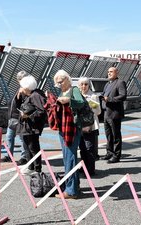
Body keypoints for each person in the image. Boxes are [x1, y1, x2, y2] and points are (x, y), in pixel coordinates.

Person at [51, 69, 85, 199]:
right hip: (64, 127)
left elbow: (80, 103)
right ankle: (74, 187)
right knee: (68, 158)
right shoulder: (62, 91)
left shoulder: (74, 89)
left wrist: (68, 101)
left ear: (67, 79)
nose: (59, 83)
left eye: (61, 80)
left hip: (72, 128)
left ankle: (71, 191)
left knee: (69, 158)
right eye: (57, 82)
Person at [16, 75, 47, 175]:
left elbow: (41, 111)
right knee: (27, 147)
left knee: (33, 147)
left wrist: (28, 116)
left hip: (32, 127)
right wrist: (18, 96)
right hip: (26, 126)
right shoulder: (29, 95)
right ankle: (31, 166)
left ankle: (37, 168)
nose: (21, 88)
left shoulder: (36, 96)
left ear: (27, 87)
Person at [0, 70, 29, 165]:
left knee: (22, 138)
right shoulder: (19, 89)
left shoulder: (26, 90)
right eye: (19, 79)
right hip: (12, 118)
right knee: (9, 137)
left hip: (20, 118)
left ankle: (24, 157)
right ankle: (9, 155)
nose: (19, 80)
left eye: (21, 79)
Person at [101, 67, 127, 163]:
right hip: (106, 113)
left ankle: (116, 155)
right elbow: (104, 95)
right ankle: (109, 152)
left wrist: (110, 99)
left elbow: (123, 96)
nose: (109, 73)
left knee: (116, 135)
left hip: (114, 113)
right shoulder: (107, 84)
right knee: (108, 135)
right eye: (108, 72)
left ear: (117, 72)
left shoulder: (120, 82)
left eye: (111, 72)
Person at [77, 77, 101, 175]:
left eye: (86, 84)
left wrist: (90, 107)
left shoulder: (93, 96)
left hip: (91, 126)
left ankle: (90, 170)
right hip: (80, 126)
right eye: (82, 84)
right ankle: (84, 167)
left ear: (89, 85)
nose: (84, 86)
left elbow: (98, 112)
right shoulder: (77, 96)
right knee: (82, 148)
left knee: (89, 148)